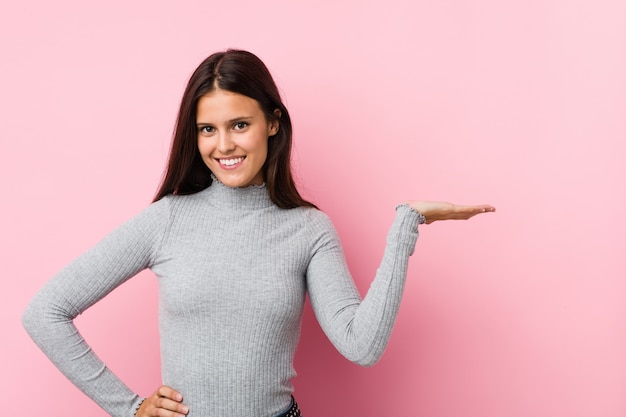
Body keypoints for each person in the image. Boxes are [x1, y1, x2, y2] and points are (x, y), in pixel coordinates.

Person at [22, 49, 495, 417]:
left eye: (240, 125)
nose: (223, 144)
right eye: (207, 128)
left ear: (273, 123)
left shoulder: (308, 229)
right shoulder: (166, 219)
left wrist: (406, 226)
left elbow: (362, 345)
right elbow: (45, 312)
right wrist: (127, 408)